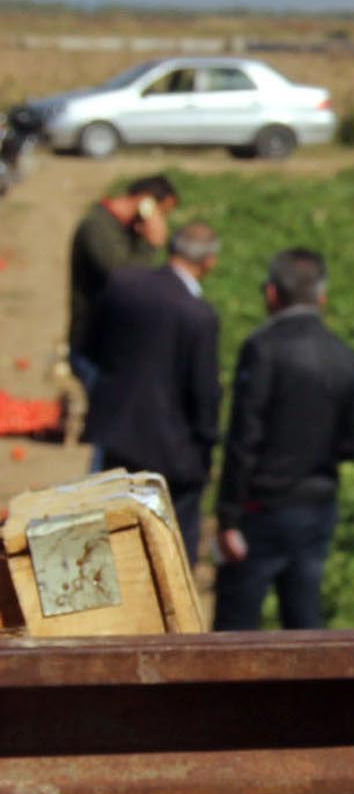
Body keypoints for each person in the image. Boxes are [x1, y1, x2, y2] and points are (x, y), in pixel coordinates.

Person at [213, 249, 354, 631]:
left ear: (271, 293)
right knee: (303, 617)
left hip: (260, 509)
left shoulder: (262, 350)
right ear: (322, 297)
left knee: (236, 623)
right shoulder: (344, 358)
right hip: (316, 508)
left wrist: (228, 516)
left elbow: (244, 438)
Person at [80, 220, 223, 558]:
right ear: (209, 263)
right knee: (170, 547)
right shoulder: (199, 315)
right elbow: (204, 393)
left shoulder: (123, 285)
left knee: (114, 536)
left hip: (117, 435)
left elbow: (89, 347)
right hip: (175, 451)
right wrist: (206, 442)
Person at [67, 174, 177, 389]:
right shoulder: (98, 227)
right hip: (93, 345)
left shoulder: (125, 230)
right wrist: (150, 245)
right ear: (146, 202)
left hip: (113, 343)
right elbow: (124, 280)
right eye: (161, 213)